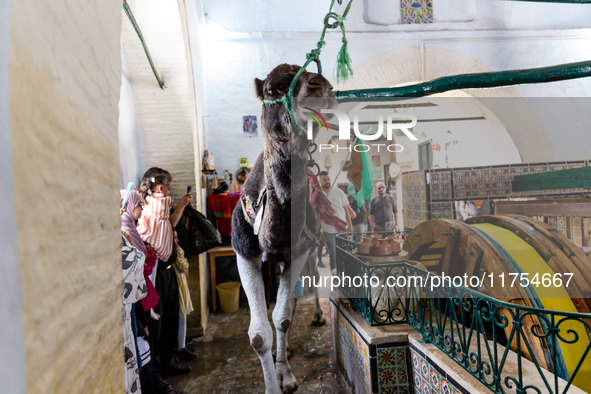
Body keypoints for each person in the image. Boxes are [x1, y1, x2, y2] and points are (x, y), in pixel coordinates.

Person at [138, 167, 193, 394]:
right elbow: (166, 222)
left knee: (170, 318)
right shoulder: (152, 206)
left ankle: (169, 360)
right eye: (167, 187)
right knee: (157, 326)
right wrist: (180, 204)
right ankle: (156, 375)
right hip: (155, 275)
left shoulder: (158, 208)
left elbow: (168, 224)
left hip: (168, 271)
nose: (169, 192)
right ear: (161, 188)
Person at [318, 171, 353, 274]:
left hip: (342, 229)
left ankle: (345, 277)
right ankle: (337, 281)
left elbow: (346, 209)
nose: (327, 181)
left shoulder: (338, 192)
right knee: (334, 255)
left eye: (328, 179)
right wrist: (321, 230)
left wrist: (350, 225)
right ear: (320, 181)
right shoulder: (318, 195)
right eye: (324, 179)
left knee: (344, 254)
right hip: (328, 231)